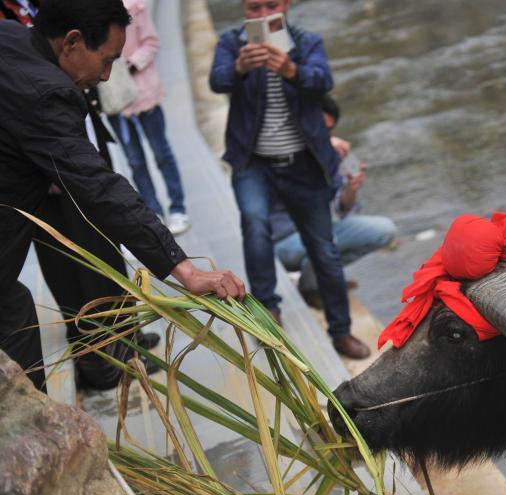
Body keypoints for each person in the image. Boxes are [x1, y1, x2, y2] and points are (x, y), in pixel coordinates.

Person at [0, 0, 245, 392]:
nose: (106, 75)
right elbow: (101, 188)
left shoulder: (10, 37)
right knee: (17, 328)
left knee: (15, 308)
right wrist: (185, 270)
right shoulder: (47, 94)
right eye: (107, 59)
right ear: (73, 42)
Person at [209, 0, 370, 360]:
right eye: (253, 8)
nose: (263, 15)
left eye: (270, 5)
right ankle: (269, 310)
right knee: (254, 222)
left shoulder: (306, 42)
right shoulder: (232, 43)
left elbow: (324, 79)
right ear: (242, 8)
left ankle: (341, 331)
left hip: (304, 165)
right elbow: (217, 81)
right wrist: (238, 67)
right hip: (254, 163)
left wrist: (291, 69)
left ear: (286, 5)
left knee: (324, 248)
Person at [272, 94, 396, 307]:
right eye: (317, 127)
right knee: (326, 238)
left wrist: (351, 188)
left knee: (385, 230)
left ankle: (316, 279)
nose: (322, 134)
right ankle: (316, 285)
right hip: (282, 241)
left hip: (319, 230)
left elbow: (342, 208)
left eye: (328, 130)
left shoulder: (330, 156)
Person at [106, 0, 189, 235]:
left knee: (162, 153)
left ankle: (178, 207)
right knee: (135, 161)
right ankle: (153, 212)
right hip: (115, 99)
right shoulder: (88, 14)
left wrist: (130, 65)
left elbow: (151, 42)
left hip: (145, 92)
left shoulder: (135, 7)